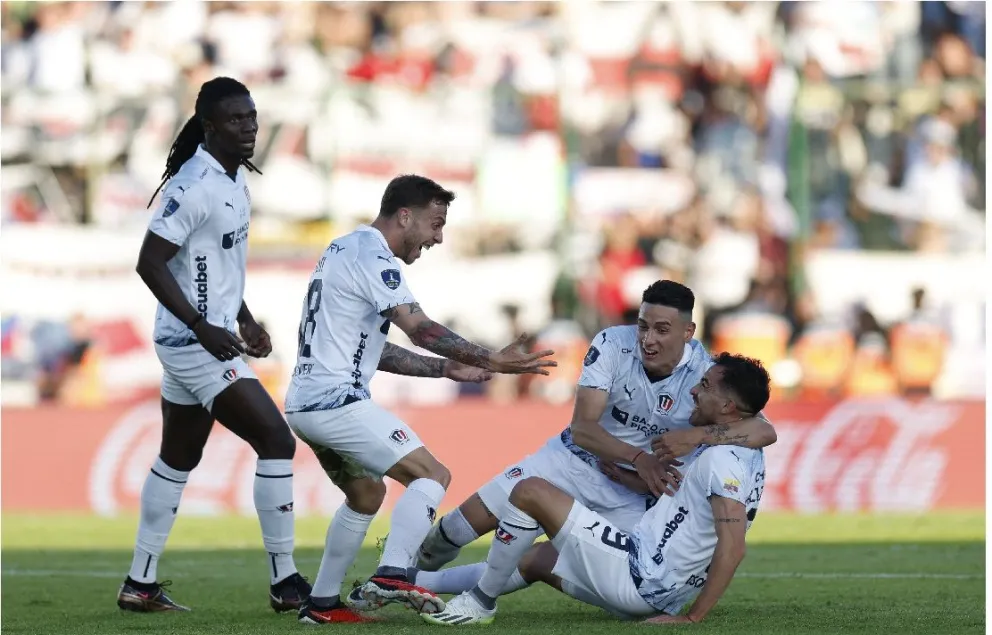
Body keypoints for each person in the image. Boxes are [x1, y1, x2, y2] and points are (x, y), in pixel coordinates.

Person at [283, 174, 557, 624]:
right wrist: (491, 357)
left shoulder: (342, 249)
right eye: (435, 223)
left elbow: (377, 349)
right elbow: (421, 328)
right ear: (404, 216)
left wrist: (446, 368)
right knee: (432, 474)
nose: (438, 237)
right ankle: (393, 575)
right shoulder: (374, 255)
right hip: (336, 401)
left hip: (305, 403)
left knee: (367, 496)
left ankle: (322, 605)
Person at [410, 281, 776, 599]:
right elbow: (583, 427)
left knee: (548, 562)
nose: (648, 340)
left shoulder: (704, 375)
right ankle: (401, 575)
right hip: (570, 462)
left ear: (687, 331)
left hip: (632, 494)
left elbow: (764, 430)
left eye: (662, 330)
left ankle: (448, 591)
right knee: (456, 529)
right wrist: (639, 458)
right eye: (643, 326)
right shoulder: (612, 344)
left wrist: (696, 434)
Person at [117, 77, 310, 614]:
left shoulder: (234, 180)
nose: (248, 127)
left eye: (251, 116)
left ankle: (140, 583)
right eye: (235, 119)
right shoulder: (194, 184)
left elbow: (217, 264)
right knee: (276, 440)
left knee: (179, 457)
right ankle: (285, 582)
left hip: (204, 338)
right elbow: (149, 262)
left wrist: (244, 318)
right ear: (210, 126)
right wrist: (203, 325)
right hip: (193, 342)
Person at [423, 353, 770, 625]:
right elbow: (686, 498)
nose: (694, 390)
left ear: (728, 407)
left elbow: (733, 547)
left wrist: (694, 617)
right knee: (536, 559)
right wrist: (629, 479)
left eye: (706, 386)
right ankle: (411, 581)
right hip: (656, 585)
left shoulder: (724, 460)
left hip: (640, 577)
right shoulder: (731, 446)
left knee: (530, 492)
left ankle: (481, 604)